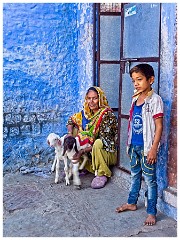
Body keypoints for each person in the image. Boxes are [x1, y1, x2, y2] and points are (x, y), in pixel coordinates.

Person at [115, 64, 163, 226]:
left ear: (151, 80)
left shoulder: (155, 101)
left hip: (147, 148)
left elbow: (159, 126)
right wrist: (129, 144)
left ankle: (151, 212)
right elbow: (132, 123)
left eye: (140, 79)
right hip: (134, 147)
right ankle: (132, 202)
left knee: (150, 180)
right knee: (134, 175)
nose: (136, 83)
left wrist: (153, 149)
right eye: (133, 80)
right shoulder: (135, 99)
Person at [66, 86, 118, 189]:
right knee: (76, 135)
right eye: (89, 98)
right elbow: (71, 120)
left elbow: (105, 141)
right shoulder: (86, 113)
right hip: (90, 150)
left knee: (98, 143)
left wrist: (82, 151)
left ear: (100, 99)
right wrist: (70, 133)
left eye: (94, 98)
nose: (91, 101)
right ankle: (81, 167)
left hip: (106, 152)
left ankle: (102, 173)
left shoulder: (106, 115)